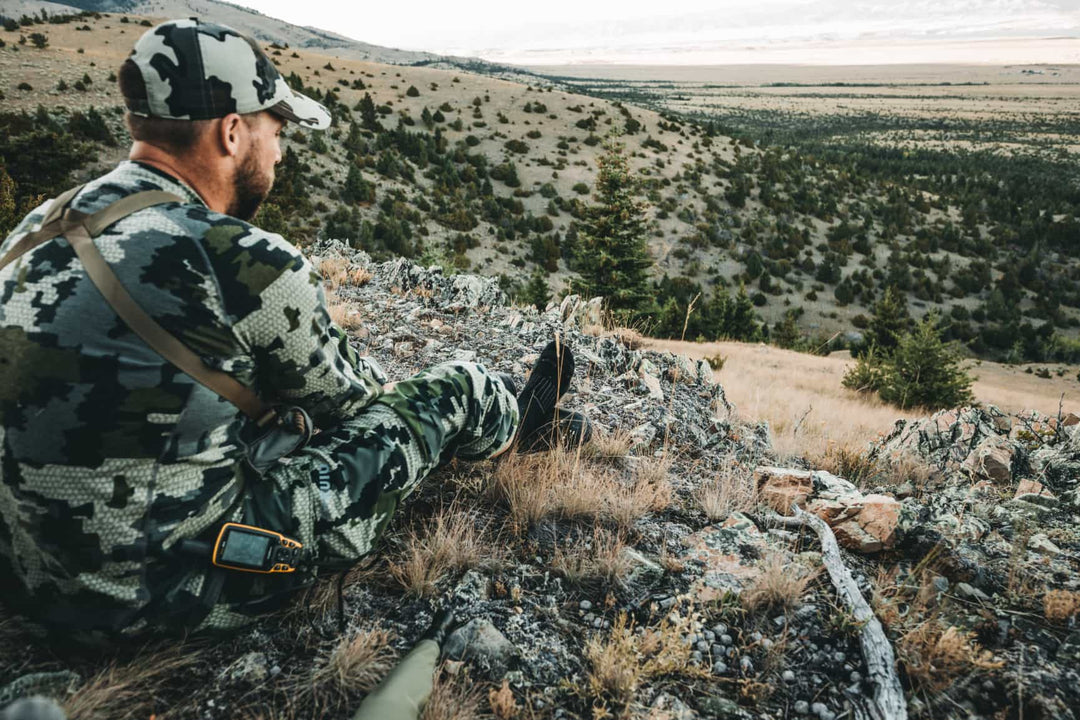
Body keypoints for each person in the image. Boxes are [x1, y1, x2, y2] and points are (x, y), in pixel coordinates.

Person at [0, 18, 581, 640]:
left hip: (27, 576)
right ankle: (518, 430)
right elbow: (358, 402)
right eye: (275, 131)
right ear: (231, 132)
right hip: (163, 594)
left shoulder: (35, 229)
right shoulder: (238, 257)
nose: (278, 152)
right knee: (454, 389)